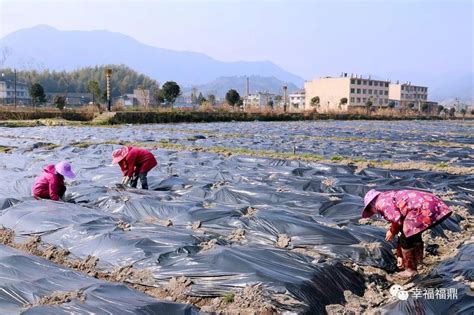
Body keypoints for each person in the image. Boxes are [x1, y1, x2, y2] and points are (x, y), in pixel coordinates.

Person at [361, 189, 452, 279]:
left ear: (372, 204)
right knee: (413, 233)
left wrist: (392, 231)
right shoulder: (389, 196)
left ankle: (410, 270)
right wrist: (400, 255)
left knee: (406, 237)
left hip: (423, 209)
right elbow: (401, 227)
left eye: (370, 210)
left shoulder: (382, 203)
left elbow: (398, 222)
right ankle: (418, 261)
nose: (373, 212)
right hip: (434, 204)